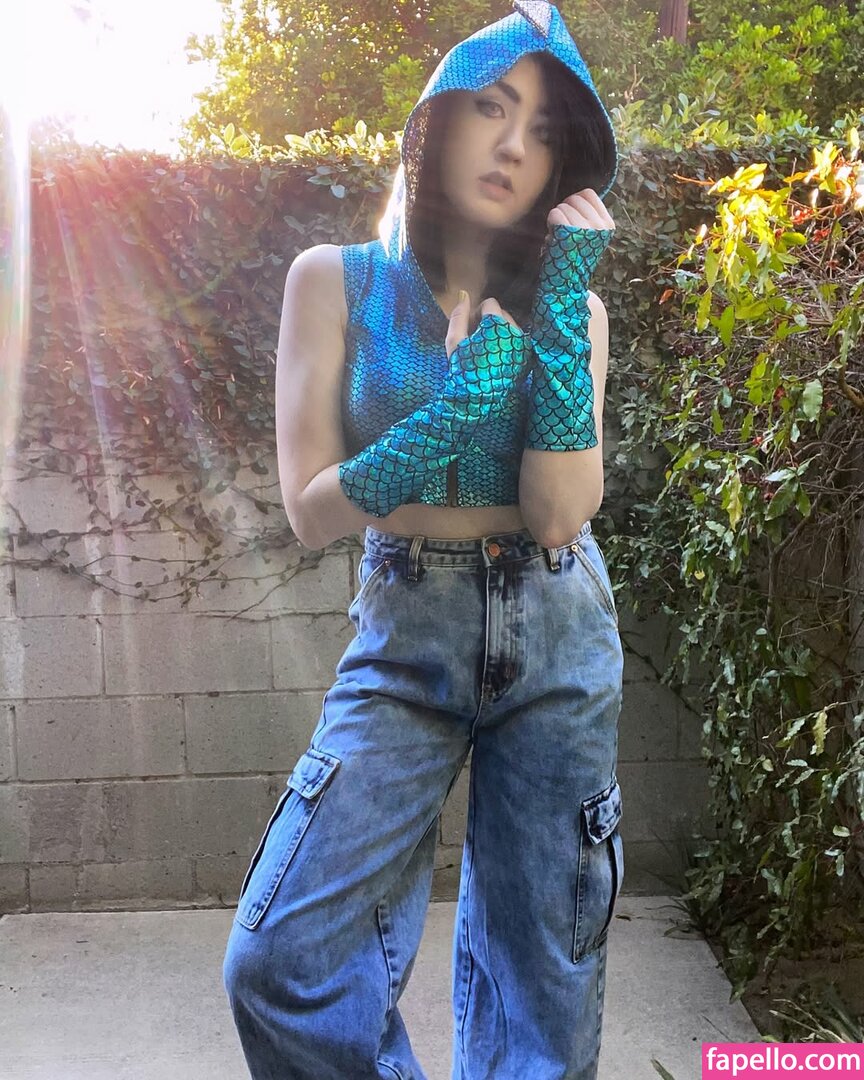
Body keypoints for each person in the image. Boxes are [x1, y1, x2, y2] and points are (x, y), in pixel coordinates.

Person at [223, 2, 624, 1077]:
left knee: (546, 990)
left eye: (544, 130)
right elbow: (311, 508)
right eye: (491, 107)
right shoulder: (334, 279)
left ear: (565, 163)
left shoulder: (575, 310)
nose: (513, 145)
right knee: (279, 960)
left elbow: (558, 515)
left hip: (557, 623)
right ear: (437, 121)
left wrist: (552, 321)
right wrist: (455, 410)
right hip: (406, 634)